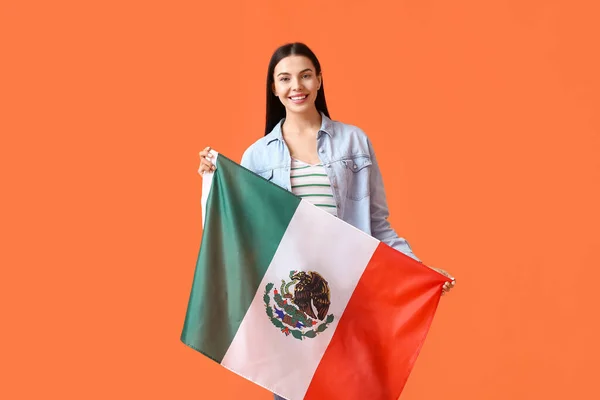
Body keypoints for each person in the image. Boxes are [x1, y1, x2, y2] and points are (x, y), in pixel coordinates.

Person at [197, 42, 455, 400]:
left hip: (349, 295)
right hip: (291, 304)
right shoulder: (257, 156)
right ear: (274, 88)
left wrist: (420, 271)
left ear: (319, 80)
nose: (296, 86)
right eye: (284, 79)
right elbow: (236, 232)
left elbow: (377, 225)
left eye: (305, 75)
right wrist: (213, 182)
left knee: (356, 390)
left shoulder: (354, 142)